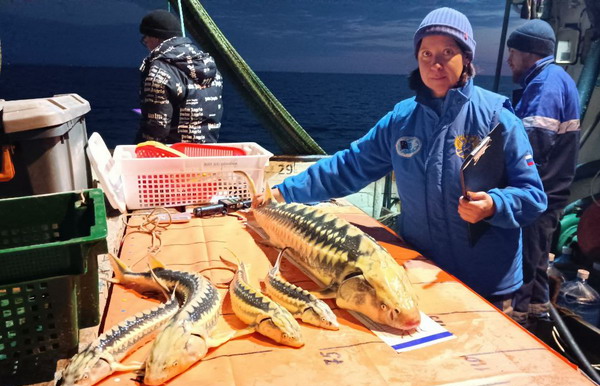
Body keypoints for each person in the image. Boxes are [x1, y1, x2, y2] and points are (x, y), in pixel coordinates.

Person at [256, 8, 547, 309]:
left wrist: (494, 205)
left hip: (487, 283)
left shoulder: (497, 117)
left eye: (447, 52)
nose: (435, 63)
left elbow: (533, 196)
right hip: (418, 273)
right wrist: (283, 192)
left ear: (466, 58)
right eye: (426, 54)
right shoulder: (401, 119)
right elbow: (350, 165)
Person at [506, 19, 580, 328]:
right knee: (536, 262)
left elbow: (532, 142)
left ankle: (517, 325)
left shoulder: (545, 83)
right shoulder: (557, 78)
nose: (509, 60)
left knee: (523, 262)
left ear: (529, 53)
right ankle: (539, 316)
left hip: (539, 193)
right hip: (552, 193)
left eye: (513, 53)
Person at [136, 9, 223, 144]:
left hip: (173, 158)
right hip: (207, 154)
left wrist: (137, 149)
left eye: (146, 37)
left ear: (156, 37)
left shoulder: (160, 71)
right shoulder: (211, 67)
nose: (145, 42)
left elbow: (156, 131)